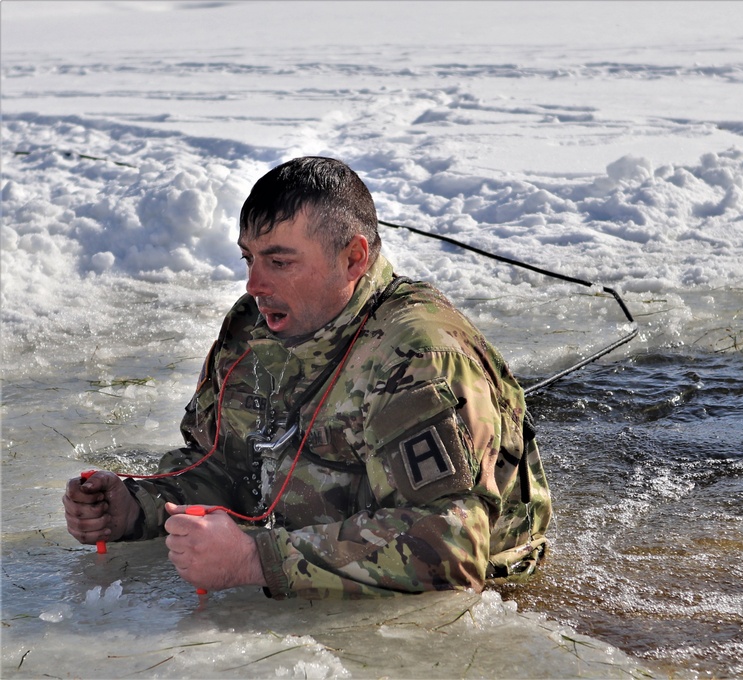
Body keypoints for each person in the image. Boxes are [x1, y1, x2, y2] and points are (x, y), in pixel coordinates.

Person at [63, 156, 552, 599]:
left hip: (466, 610)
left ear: (354, 259)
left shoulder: (417, 357)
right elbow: (231, 467)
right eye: (248, 259)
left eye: (279, 262)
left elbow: (451, 546)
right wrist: (137, 505)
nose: (254, 285)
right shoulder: (254, 329)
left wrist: (255, 559)